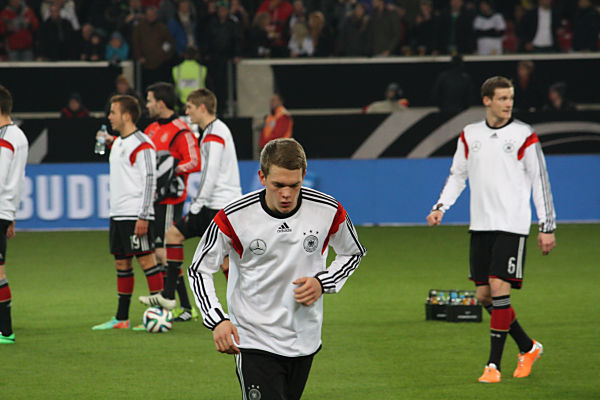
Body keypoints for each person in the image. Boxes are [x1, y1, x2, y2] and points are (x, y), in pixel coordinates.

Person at [187, 138, 366, 399]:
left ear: (303, 176)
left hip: (304, 338)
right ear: (262, 177)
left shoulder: (328, 209)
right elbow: (199, 269)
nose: (286, 194)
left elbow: (352, 252)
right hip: (254, 339)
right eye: (278, 185)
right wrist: (217, 320)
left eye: (294, 185)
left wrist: (322, 282)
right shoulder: (233, 216)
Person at [426, 76, 556, 383]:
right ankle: (528, 347)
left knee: (499, 288)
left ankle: (493, 366)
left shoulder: (524, 134)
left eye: (510, 98)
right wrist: (441, 206)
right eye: (502, 98)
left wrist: (547, 225)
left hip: (512, 224)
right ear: (487, 101)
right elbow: (458, 175)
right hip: (481, 225)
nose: (508, 104)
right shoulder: (470, 134)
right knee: (484, 296)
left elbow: (540, 181)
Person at [139, 88, 241, 319]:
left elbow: (210, 174)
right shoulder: (214, 130)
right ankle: (170, 296)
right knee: (222, 259)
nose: (187, 111)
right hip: (221, 205)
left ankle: (173, 297)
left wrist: (197, 204)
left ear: (202, 108)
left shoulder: (214, 133)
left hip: (217, 206)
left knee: (177, 238)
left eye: (190, 107)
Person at [92, 94, 163, 331]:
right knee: (121, 264)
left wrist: (144, 215)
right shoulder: (121, 143)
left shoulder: (143, 144)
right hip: (118, 213)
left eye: (113, 112)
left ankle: (161, 314)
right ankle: (122, 318)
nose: (109, 116)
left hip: (135, 214)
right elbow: (122, 151)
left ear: (127, 115)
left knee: (146, 260)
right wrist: (110, 140)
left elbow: (150, 179)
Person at [144, 82, 201, 321]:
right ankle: (179, 307)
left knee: (165, 252)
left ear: (160, 103)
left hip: (170, 200)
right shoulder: (151, 129)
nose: (147, 105)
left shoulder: (180, 130)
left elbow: (195, 161)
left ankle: (183, 307)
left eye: (149, 100)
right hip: (153, 199)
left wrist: (172, 168)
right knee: (159, 254)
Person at [0, 85, 29, 344]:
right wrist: (11, 214)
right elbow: (17, 179)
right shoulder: (17, 134)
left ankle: (5, 330)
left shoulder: (5, 138)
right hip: (4, 210)